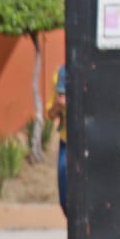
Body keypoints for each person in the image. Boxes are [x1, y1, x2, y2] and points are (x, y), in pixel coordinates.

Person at [48, 63, 68, 214]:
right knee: (65, 199)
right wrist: (58, 105)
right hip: (66, 143)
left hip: (90, 143)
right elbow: (51, 115)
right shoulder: (60, 74)